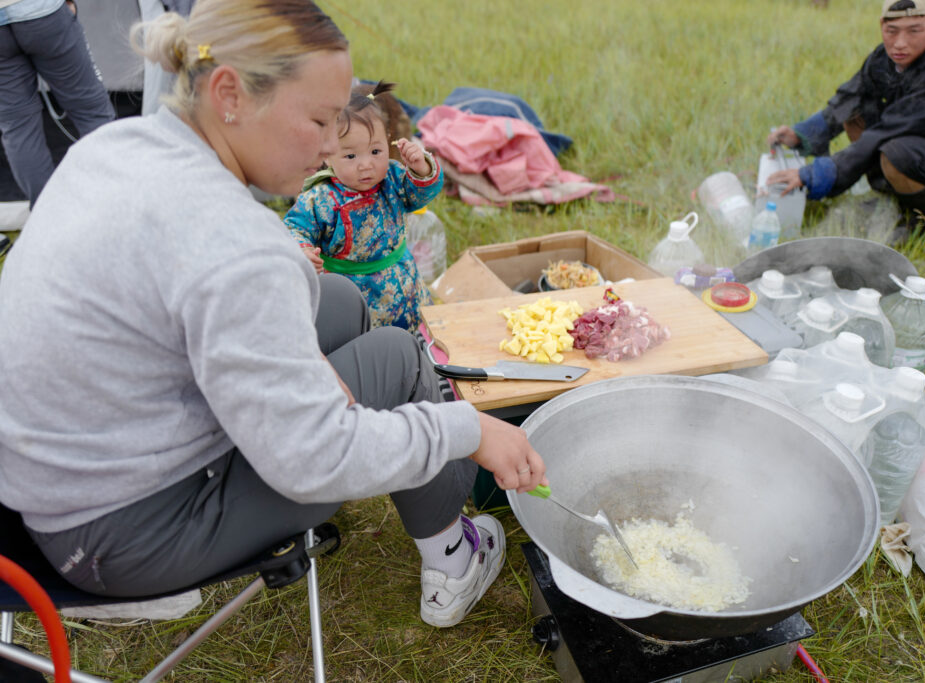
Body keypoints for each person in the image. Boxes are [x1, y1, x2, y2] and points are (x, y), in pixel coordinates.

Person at [0, 0, 546, 630]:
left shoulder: (115, 146)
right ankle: (453, 556)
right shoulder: (238, 243)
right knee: (398, 356)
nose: (330, 145)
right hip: (117, 535)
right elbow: (313, 457)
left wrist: (300, 363)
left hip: (42, 481)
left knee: (337, 299)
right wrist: (468, 430)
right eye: (318, 120)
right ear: (229, 93)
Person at [766, 0, 925, 245]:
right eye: (892, 31)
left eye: (914, 30)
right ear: (881, 24)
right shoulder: (884, 58)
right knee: (855, 115)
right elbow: (850, 98)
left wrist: (816, 174)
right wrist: (802, 134)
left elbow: (889, 130)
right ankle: (898, 198)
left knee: (895, 154)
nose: (900, 43)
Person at [285, 81, 438, 331]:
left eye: (375, 151)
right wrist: (303, 250)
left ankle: (416, 347)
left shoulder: (393, 179)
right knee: (362, 337)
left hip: (402, 282)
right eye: (351, 156)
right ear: (327, 156)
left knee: (415, 330)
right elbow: (295, 227)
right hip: (351, 290)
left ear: (387, 142)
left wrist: (421, 169)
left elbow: (420, 195)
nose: (366, 164)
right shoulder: (321, 197)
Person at [0, 0, 115, 206]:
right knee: (92, 111)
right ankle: (114, 203)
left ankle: (48, 217)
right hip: (41, 10)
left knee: (18, 129)